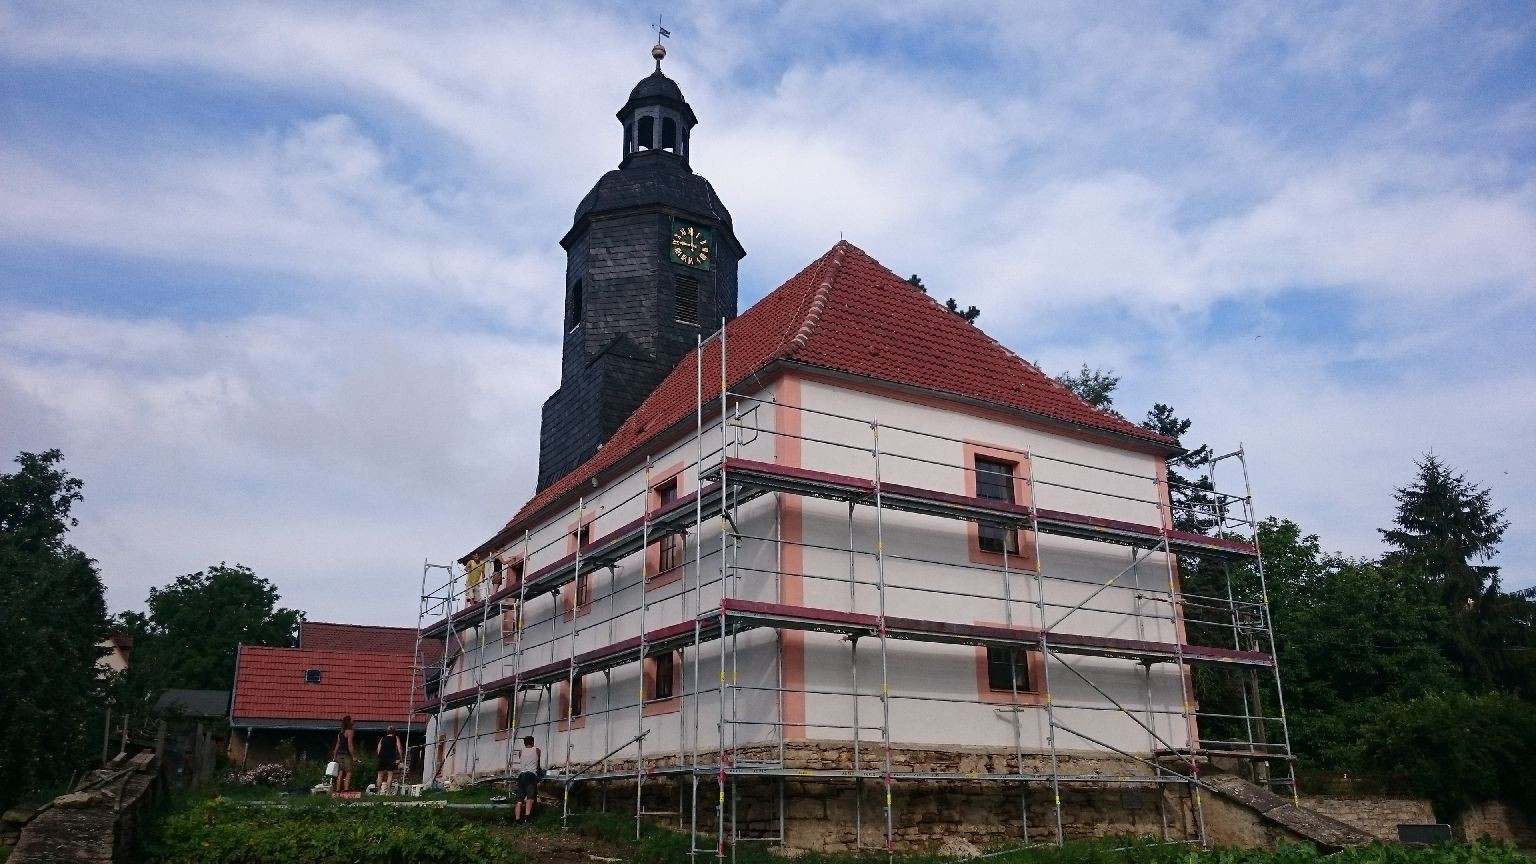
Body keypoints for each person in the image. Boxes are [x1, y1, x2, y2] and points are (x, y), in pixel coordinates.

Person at [513, 735, 540, 823]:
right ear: (532, 742)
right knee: (530, 798)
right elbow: (538, 763)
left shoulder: (521, 751)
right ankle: (527, 817)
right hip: (531, 775)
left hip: (521, 775)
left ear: (524, 743)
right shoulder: (536, 750)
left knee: (519, 801)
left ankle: (517, 819)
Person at [376, 725, 403, 793]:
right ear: (394, 732)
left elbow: (378, 749)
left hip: (381, 757)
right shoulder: (396, 738)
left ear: (387, 732)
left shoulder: (382, 738)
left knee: (379, 775)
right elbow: (399, 748)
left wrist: (379, 756)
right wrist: (401, 757)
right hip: (390, 757)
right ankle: (388, 792)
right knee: (390, 775)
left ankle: (378, 791)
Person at [333, 716, 357, 793]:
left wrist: (334, 755)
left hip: (339, 754)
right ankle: (346, 789)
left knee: (340, 771)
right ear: (349, 722)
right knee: (349, 772)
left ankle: (338, 789)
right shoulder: (350, 731)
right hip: (346, 754)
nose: (354, 720)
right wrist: (353, 756)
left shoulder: (340, 733)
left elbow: (337, 745)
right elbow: (350, 744)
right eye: (352, 719)